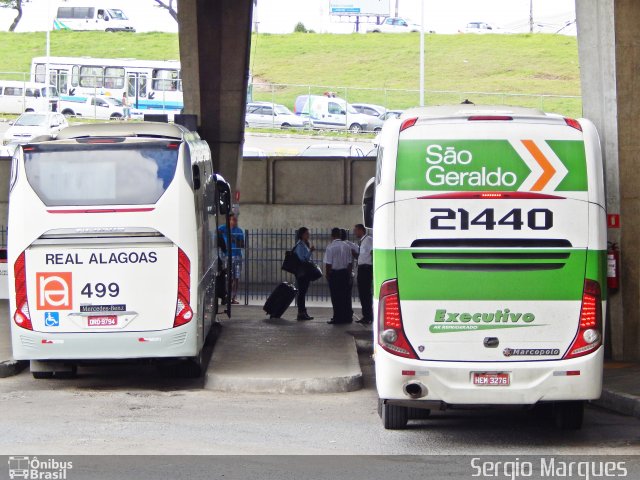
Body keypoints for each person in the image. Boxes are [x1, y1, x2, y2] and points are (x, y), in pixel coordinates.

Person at [324, 227, 354, 324]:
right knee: (345, 296)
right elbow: (350, 263)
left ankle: (337, 317)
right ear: (340, 235)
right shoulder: (347, 246)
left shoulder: (330, 247)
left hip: (335, 274)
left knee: (336, 297)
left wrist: (327, 274)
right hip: (345, 273)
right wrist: (349, 275)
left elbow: (328, 263)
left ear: (332, 236)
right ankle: (347, 317)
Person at [218, 213, 245, 305]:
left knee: (236, 277)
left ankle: (233, 297)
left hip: (236, 255)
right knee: (227, 277)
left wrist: (233, 238)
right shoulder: (221, 229)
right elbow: (216, 238)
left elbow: (241, 245)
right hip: (226, 256)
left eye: (235, 220)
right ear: (228, 220)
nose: (234, 222)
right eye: (232, 220)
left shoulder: (239, 231)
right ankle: (225, 296)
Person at [352, 224, 373, 325]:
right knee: (363, 294)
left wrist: (373, 268)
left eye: (356, 230)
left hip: (366, 269)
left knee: (365, 294)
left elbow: (373, 253)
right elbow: (363, 256)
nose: (354, 232)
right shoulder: (362, 242)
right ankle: (366, 315)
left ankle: (368, 316)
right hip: (362, 268)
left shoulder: (368, 240)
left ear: (361, 230)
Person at [293, 227, 315, 321]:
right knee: (301, 293)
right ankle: (301, 313)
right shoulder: (299, 245)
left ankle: (303, 312)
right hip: (302, 273)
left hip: (305, 272)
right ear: (302, 235)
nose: (308, 235)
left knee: (303, 292)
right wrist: (310, 251)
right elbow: (302, 259)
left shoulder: (304, 244)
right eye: (306, 233)